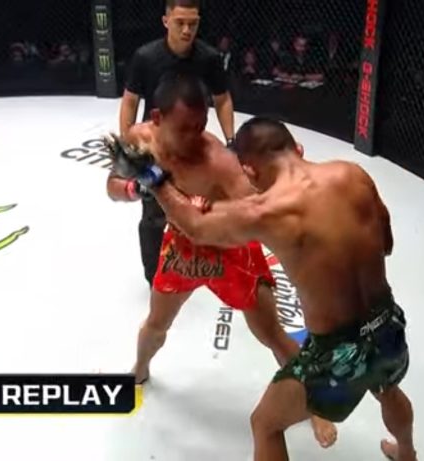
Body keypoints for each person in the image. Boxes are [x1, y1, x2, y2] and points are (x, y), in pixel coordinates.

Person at [117, 117, 417, 461]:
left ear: (250, 171)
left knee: (265, 424)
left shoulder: (267, 212)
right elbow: (387, 241)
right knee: (387, 387)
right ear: (297, 149)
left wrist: (155, 180)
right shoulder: (353, 175)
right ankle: (407, 454)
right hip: (388, 325)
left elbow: (197, 227)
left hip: (338, 353)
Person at [105, 75, 337, 447]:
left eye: (200, 127)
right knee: (157, 323)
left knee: (272, 334)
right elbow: (112, 187)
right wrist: (134, 187)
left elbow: (257, 211)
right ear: (158, 118)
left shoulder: (218, 161)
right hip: (182, 247)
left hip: (230, 249)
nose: (194, 137)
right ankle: (140, 368)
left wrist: (216, 209)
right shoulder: (139, 139)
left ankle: (317, 402)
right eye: (184, 128)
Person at [116, 0, 236, 287]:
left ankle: (199, 263)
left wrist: (231, 140)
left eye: (193, 24)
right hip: (156, 145)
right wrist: (127, 142)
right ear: (166, 21)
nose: (186, 30)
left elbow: (222, 99)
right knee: (154, 211)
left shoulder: (208, 57)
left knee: (202, 204)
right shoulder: (146, 57)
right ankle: (154, 276)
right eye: (180, 22)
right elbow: (130, 100)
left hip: (194, 142)